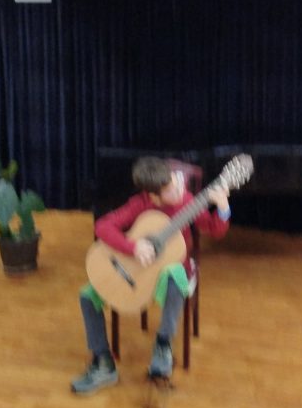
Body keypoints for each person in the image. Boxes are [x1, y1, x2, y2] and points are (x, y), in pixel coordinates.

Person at [71, 157, 230, 395]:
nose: (179, 190)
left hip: (169, 273)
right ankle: (103, 362)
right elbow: (102, 226)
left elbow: (214, 229)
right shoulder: (140, 204)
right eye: (170, 190)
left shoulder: (187, 200)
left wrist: (223, 208)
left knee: (176, 276)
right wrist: (133, 248)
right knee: (86, 296)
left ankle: (163, 344)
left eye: (176, 183)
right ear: (153, 196)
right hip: (137, 271)